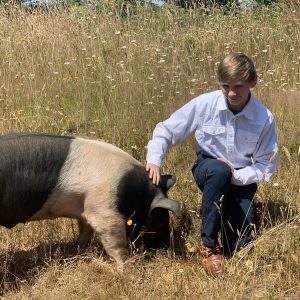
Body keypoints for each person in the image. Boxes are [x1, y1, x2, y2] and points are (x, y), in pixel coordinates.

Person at [145, 52, 278, 276]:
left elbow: (266, 164)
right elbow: (166, 130)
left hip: (243, 176)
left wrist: (238, 177)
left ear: (253, 81)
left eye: (239, 86)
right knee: (219, 170)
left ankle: (229, 218)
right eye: (225, 86)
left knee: (238, 245)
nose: (232, 93)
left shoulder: (264, 117)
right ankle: (208, 245)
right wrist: (154, 160)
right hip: (209, 169)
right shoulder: (205, 104)